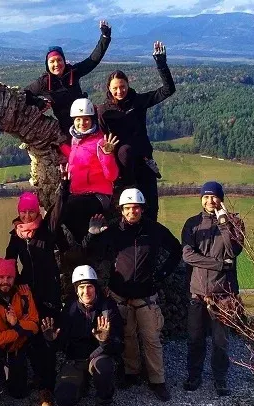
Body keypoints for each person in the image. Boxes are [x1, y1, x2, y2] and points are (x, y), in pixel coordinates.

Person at [84, 188, 182, 401]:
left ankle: (157, 381)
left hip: (146, 296)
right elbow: (92, 252)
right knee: (127, 336)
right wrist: (92, 235)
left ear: (142, 209)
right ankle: (132, 373)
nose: (132, 212)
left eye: (136, 207)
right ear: (121, 210)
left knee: (151, 338)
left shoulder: (154, 230)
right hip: (120, 295)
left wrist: (162, 274)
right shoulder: (113, 232)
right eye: (128, 208)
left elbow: (176, 249)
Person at [98, 41, 176, 221]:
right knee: (123, 215)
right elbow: (100, 140)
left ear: (128, 84)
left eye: (122, 86)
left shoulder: (138, 101)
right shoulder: (104, 111)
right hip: (122, 171)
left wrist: (161, 63)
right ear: (109, 89)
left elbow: (168, 90)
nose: (120, 91)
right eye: (115, 88)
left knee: (150, 209)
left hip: (144, 163)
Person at [181, 181, 245, 397]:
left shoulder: (235, 222)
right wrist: (219, 264)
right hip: (197, 291)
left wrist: (224, 222)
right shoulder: (192, 223)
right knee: (195, 337)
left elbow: (233, 250)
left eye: (214, 197)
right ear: (201, 199)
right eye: (206, 197)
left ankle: (220, 378)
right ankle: (194, 375)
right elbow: (187, 255)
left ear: (221, 198)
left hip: (223, 293)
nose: (210, 201)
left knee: (220, 340)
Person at [41, 266, 123, 406]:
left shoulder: (107, 307)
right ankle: (82, 382)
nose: (86, 291)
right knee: (64, 400)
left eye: (90, 286)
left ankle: (104, 405)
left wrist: (104, 340)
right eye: (82, 287)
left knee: (103, 366)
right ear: (76, 290)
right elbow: (62, 343)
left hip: (99, 356)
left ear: (95, 287)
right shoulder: (70, 309)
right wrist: (51, 340)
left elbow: (119, 345)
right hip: (76, 359)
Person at [0, 258, 56, 406]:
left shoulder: (24, 294)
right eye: (1, 277)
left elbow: (34, 325)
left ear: (15, 278)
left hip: (19, 346)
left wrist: (16, 324)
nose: (5, 281)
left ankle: (36, 383)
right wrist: (17, 330)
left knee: (18, 393)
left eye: (9, 277)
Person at [25, 20, 112, 134]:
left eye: (59, 60)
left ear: (64, 61)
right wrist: (38, 102)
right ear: (47, 64)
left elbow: (92, 60)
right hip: (68, 130)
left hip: (89, 122)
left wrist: (105, 37)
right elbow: (25, 93)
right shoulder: (44, 82)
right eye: (52, 61)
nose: (56, 64)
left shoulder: (73, 72)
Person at [57, 98, 120, 244]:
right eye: (78, 119)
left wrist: (107, 154)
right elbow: (80, 156)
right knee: (59, 210)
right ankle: (82, 244)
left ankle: (82, 245)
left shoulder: (100, 142)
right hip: (79, 194)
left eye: (86, 119)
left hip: (98, 196)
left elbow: (112, 175)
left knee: (68, 208)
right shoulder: (75, 140)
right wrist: (60, 148)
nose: (82, 123)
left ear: (92, 120)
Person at [4, 191, 65, 318]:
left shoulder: (46, 229)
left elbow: (57, 211)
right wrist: (19, 281)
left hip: (49, 288)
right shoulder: (16, 235)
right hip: (28, 289)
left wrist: (63, 187)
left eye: (31, 211)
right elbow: (10, 261)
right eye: (23, 211)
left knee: (50, 325)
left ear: (37, 211)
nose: (27, 216)